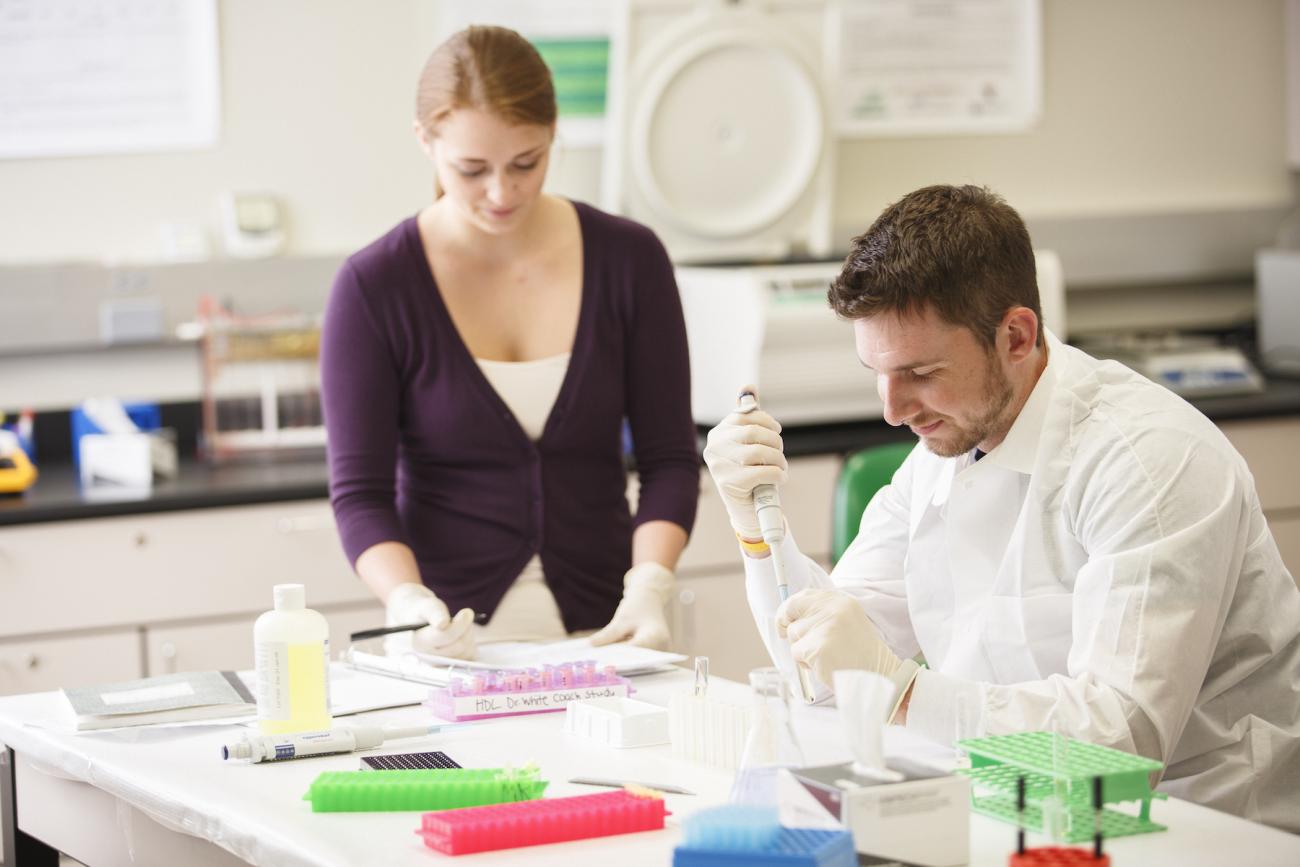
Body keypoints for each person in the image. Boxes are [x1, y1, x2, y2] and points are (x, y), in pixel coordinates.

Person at [703, 184, 1300, 830]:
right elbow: (820, 669)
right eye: (876, 372)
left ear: (1016, 335)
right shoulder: (943, 452)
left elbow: (1118, 748)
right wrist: (754, 529)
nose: (892, 409)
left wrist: (902, 691)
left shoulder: (1148, 462)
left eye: (921, 372)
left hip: (1208, 829)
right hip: (1022, 806)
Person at [322, 26, 698, 661]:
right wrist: (407, 601)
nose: (502, 193)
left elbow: (669, 461)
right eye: (471, 170)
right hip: (451, 643)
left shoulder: (630, 261)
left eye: (527, 162)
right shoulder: (374, 287)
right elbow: (360, 493)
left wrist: (649, 586)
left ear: (553, 136)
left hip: (613, 627)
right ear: (426, 142)